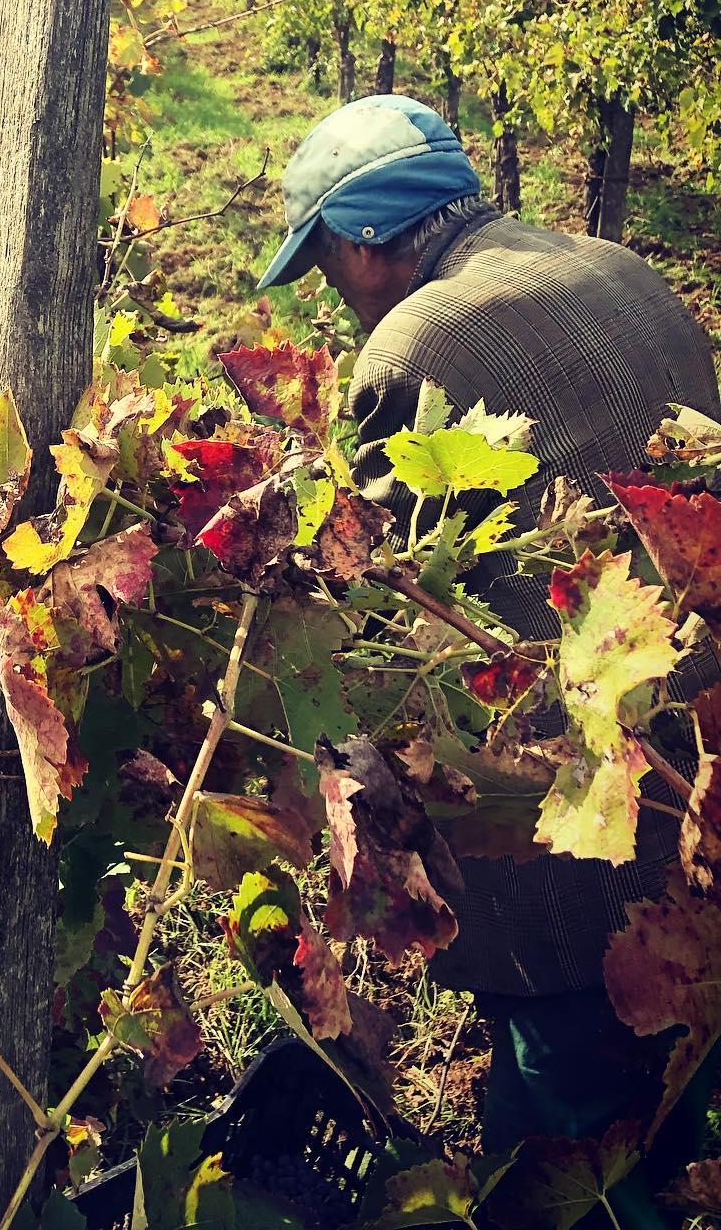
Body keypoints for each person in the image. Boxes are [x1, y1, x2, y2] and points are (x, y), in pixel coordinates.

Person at [257, 94, 721, 1227]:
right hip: (698, 763)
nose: (329, 291)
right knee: (672, 1061)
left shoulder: (417, 345)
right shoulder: (616, 265)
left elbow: (364, 594)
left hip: (581, 822)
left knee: (574, 1146)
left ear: (364, 244)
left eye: (322, 262)